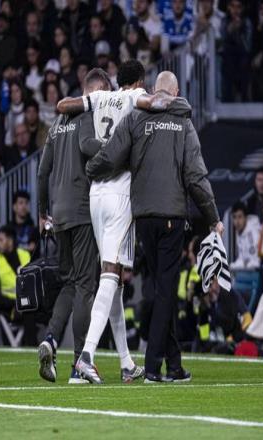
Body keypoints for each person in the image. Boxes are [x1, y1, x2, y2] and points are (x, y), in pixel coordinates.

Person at [86, 71, 223, 383]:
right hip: (171, 216)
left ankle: (174, 365)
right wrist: (213, 217)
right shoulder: (183, 123)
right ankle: (152, 366)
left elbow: (110, 155)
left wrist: (90, 170)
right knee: (165, 291)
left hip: (143, 218)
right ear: (175, 92)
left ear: (154, 91)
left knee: (161, 289)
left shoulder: (135, 118)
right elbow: (195, 177)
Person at [55, 61, 171, 384]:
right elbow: (156, 103)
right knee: (110, 273)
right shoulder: (134, 97)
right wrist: (167, 98)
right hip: (121, 194)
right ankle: (87, 356)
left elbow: (62, 105)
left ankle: (125, 362)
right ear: (140, 82)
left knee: (115, 279)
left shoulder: (100, 98)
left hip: (95, 196)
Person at [37, 69, 111, 384]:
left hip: (58, 214)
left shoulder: (57, 124)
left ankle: (51, 339)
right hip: (82, 210)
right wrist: (116, 148)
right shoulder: (87, 114)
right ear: (97, 91)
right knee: (84, 286)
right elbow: (87, 147)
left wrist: (42, 214)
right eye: (107, 92)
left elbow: (42, 172)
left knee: (69, 283)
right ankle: (80, 363)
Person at [0, 224, 30, 316]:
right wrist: (16, 303)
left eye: (1, 240)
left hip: (28, 305)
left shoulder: (25, 255)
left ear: (10, 241)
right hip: (7, 308)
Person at [230, 201, 260, 270]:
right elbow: (242, 258)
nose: (237, 221)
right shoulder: (239, 232)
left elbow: (255, 261)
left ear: (246, 218)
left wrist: (242, 264)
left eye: (240, 217)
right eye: (234, 217)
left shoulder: (253, 233)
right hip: (246, 270)